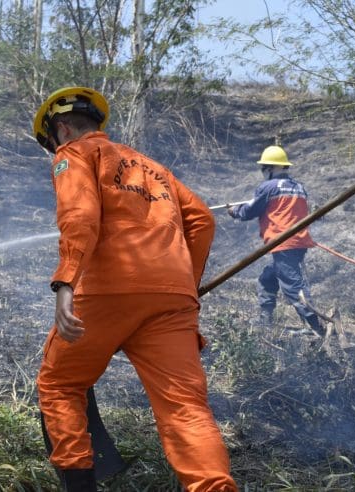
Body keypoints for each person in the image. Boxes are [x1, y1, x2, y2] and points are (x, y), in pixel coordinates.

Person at [32, 86, 238, 492]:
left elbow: (80, 216)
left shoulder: (73, 154)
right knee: (185, 407)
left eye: (52, 142)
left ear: (60, 127)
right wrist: (183, 285)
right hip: (171, 301)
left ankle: (80, 486)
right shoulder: (153, 166)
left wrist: (66, 283)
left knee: (60, 385)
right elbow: (201, 220)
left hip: (107, 293)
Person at [227, 145, 324, 335]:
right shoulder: (298, 187)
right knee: (267, 278)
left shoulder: (268, 187)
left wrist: (234, 211)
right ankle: (265, 320)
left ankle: (317, 327)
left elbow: (250, 211)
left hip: (284, 242)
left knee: (293, 288)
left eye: (264, 168)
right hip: (298, 242)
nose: (263, 172)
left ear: (270, 168)